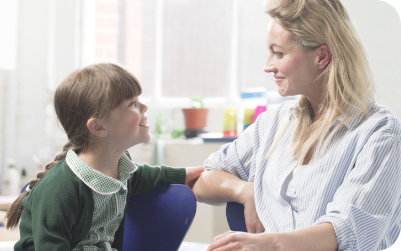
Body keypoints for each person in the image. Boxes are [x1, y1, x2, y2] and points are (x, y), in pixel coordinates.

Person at [192, 0, 401, 250]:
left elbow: (346, 233)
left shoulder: (381, 134)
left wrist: (271, 244)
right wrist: (244, 190)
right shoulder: (273, 122)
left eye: (278, 53)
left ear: (322, 56)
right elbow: (204, 179)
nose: (268, 66)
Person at [5, 63, 204, 250]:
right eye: (132, 103)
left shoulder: (118, 168)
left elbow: (142, 175)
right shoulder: (60, 188)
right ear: (99, 127)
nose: (144, 107)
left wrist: (185, 174)